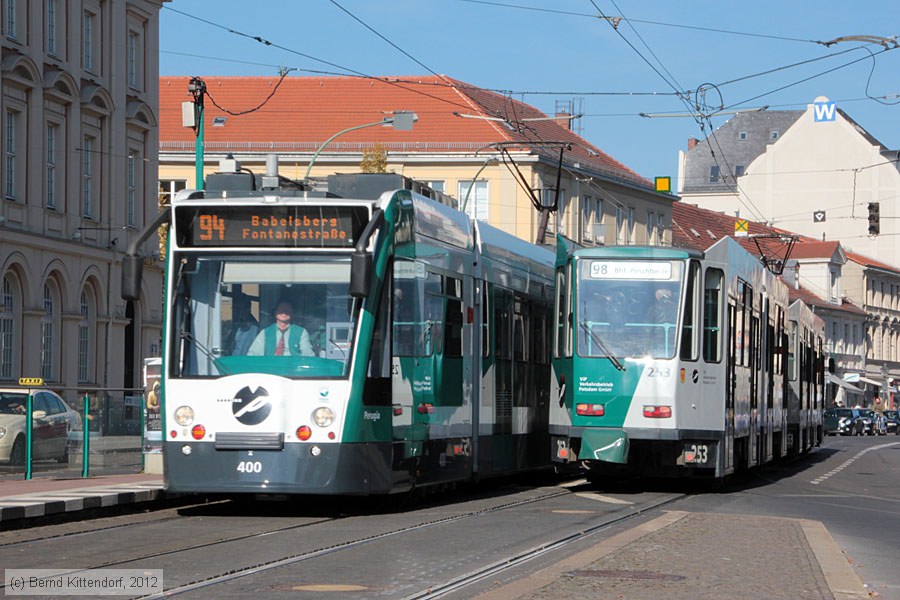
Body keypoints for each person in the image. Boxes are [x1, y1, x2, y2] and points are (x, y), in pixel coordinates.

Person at [247, 299, 314, 356]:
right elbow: (253, 355)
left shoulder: (301, 332)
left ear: (292, 313)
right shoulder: (265, 332)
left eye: (287, 309)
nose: (284, 312)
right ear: (275, 312)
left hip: (292, 369)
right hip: (270, 368)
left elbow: (308, 356)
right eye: (281, 309)